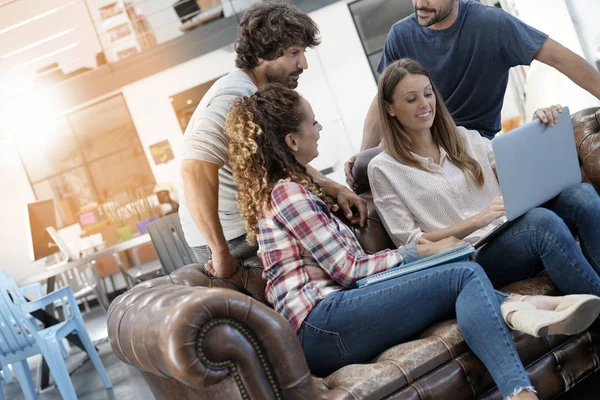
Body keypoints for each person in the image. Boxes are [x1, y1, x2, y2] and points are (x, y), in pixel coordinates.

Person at [223, 83, 600, 400]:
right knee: (462, 276)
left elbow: (353, 274)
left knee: (456, 267)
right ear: (292, 140)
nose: (320, 127)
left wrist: (425, 255)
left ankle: (524, 316)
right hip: (321, 323)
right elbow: (350, 271)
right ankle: (521, 368)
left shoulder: (292, 188)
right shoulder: (288, 193)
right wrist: (412, 252)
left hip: (334, 313)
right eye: (312, 122)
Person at [368, 58, 600, 301]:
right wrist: (477, 220)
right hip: (474, 256)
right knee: (539, 222)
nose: (425, 104)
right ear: (389, 108)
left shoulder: (464, 137)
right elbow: (413, 244)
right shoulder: (383, 169)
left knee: (580, 195)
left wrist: (538, 128)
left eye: (428, 94)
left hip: (511, 230)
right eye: (411, 99)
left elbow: (518, 169)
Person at [179, 2, 367, 278]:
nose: (303, 63)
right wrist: (220, 252)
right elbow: (194, 170)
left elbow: (284, 160)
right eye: (294, 53)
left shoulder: (257, 94)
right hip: (234, 238)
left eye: (302, 52)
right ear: (261, 55)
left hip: (251, 225)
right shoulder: (232, 97)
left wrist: (335, 188)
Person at [345, 0, 600, 189]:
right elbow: (382, 100)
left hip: (475, 148)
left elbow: (561, 58)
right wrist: (363, 151)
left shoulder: (492, 24)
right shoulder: (401, 35)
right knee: (362, 166)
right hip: (418, 148)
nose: (420, 3)